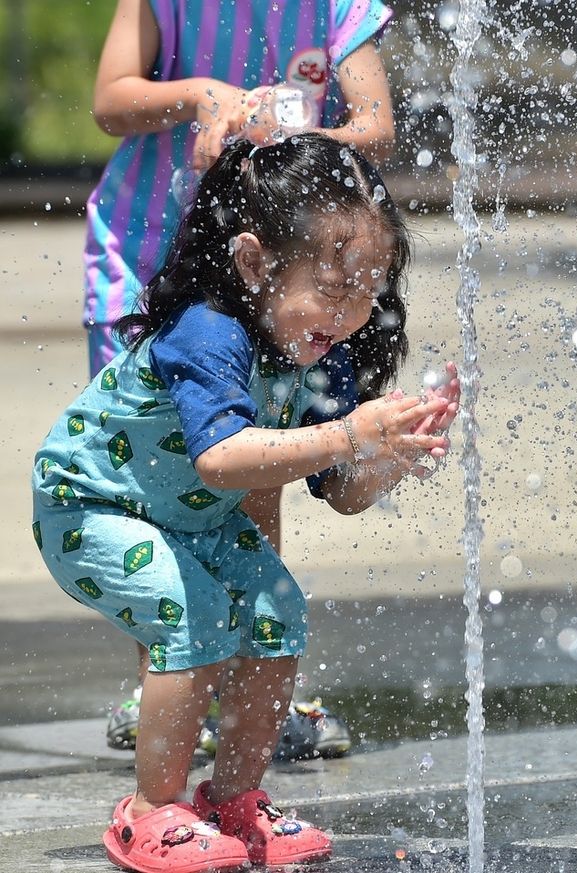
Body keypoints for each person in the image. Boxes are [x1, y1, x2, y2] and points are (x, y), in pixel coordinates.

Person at [33, 133, 459, 873]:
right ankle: (149, 812)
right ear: (255, 263)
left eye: (369, 292)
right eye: (333, 288)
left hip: (188, 517)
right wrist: (348, 433)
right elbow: (222, 458)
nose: (351, 315)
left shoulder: (319, 354)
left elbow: (343, 494)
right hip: (92, 505)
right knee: (191, 614)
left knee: (278, 611)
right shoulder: (208, 332)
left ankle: (233, 799)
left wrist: (391, 455)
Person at [86, 0, 399, 734]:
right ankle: (163, 680)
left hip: (283, 272)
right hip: (149, 252)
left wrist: (279, 146)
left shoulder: (337, 8)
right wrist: (203, 96)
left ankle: (252, 690)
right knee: (152, 471)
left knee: (256, 470)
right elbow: (110, 101)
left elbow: (376, 128)